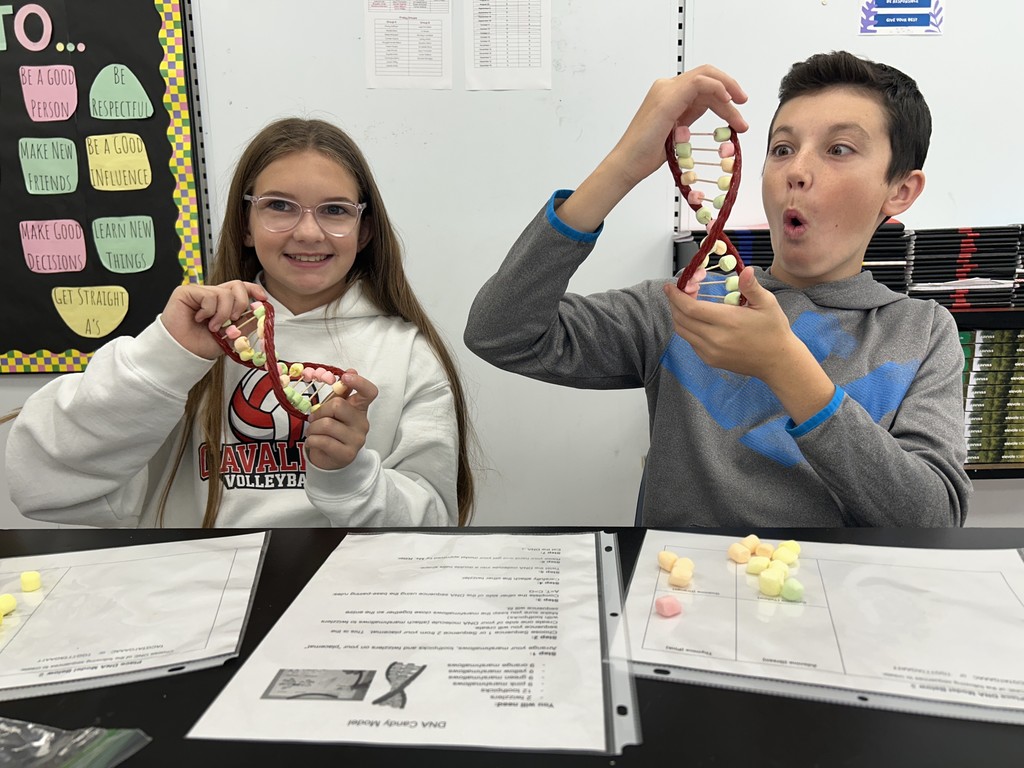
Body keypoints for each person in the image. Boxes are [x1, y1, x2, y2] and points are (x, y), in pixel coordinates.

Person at [464, 51, 971, 526]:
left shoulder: (922, 332)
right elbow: (500, 333)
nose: (797, 171)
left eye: (839, 149)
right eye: (782, 149)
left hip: (830, 590)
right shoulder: (684, 307)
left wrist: (785, 366)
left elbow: (932, 518)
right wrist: (622, 167)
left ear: (900, 190)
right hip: (677, 587)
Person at [7, 118, 473, 527]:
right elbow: (41, 485)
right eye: (279, 206)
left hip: (349, 590)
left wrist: (348, 475)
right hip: (202, 590)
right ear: (245, 224)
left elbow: (435, 524)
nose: (308, 232)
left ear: (364, 229)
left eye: (335, 210)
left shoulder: (408, 354)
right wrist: (166, 358)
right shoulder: (192, 340)